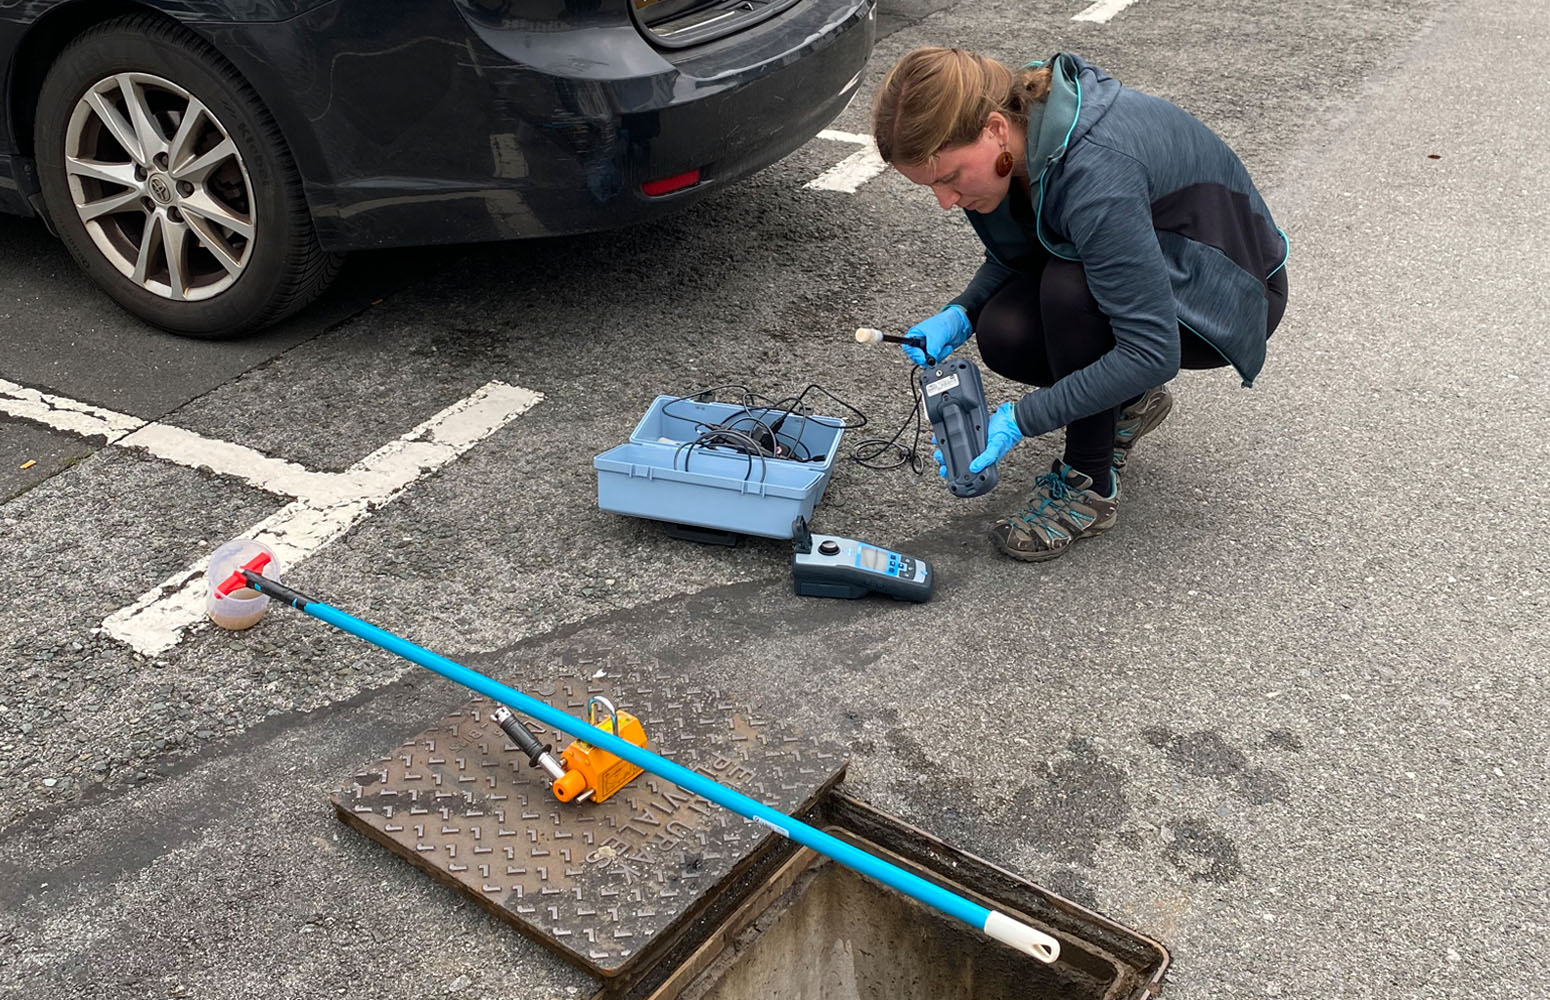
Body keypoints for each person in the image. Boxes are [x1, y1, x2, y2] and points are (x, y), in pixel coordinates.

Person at [872, 48, 1288, 561]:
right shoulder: (1019, 137)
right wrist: (963, 311)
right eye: (931, 186)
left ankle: (1089, 487)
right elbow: (1029, 247)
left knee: (1069, 290)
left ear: (995, 129)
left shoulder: (1095, 171)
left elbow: (1152, 352)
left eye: (949, 178)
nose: (944, 201)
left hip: (1229, 293)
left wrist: (1022, 419)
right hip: (1160, 272)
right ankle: (1128, 403)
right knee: (1004, 330)